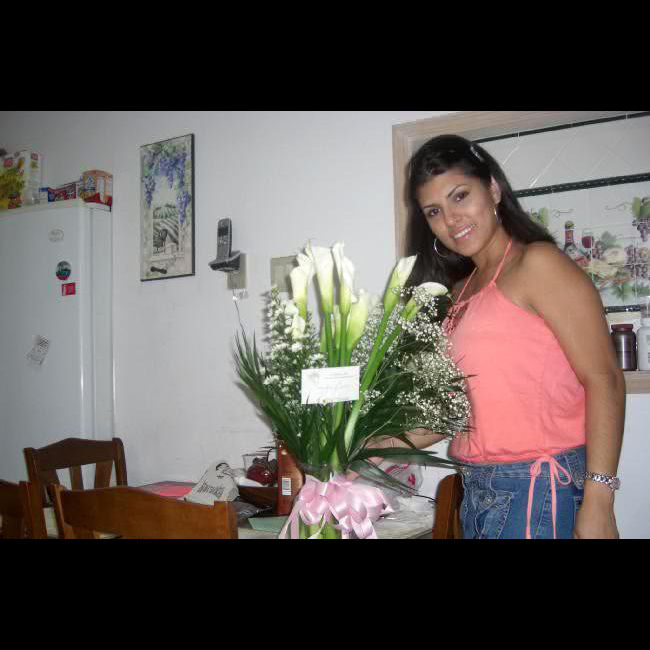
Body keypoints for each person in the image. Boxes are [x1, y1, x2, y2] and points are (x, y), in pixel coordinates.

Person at [375, 133, 624, 539]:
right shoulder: (460, 292)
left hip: (538, 485)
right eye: (435, 211)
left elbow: (604, 378)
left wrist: (599, 498)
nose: (451, 220)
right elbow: (458, 412)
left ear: (492, 189)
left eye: (460, 196)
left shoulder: (537, 264)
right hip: (477, 487)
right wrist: (370, 444)